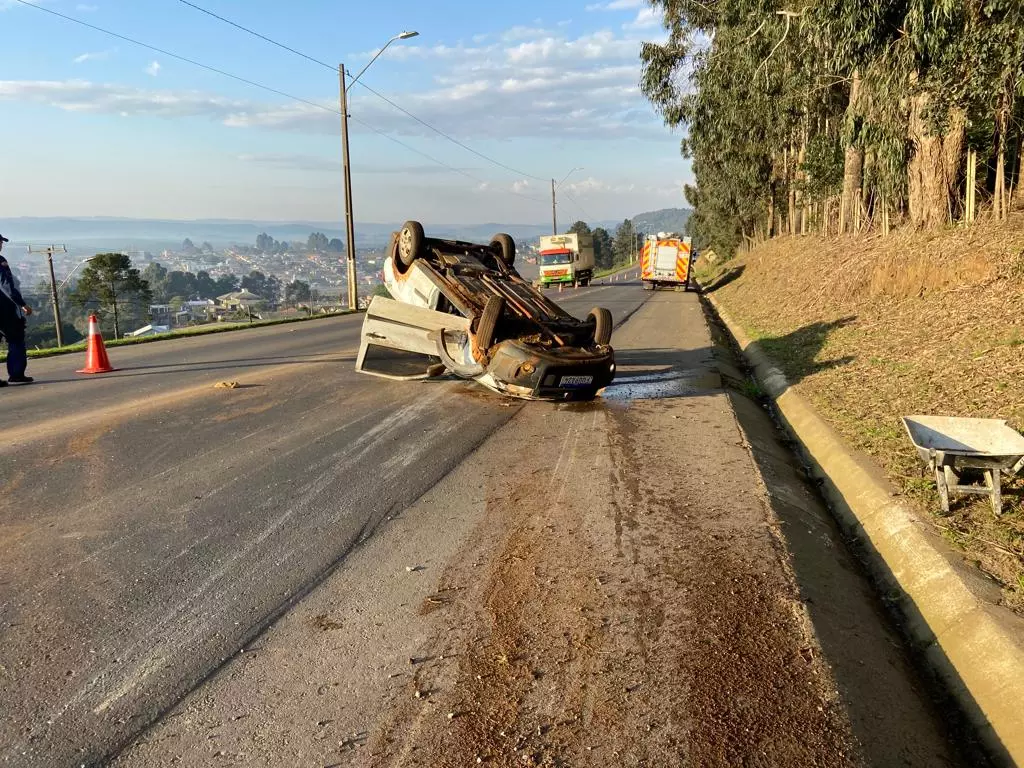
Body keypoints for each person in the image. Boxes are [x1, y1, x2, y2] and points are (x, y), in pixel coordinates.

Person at [0, 234, 34, 385]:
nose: (1, 244)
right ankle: (16, 373)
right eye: (0, 242)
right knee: (16, 341)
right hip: (4, 311)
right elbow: (7, 286)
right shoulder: (0, 261)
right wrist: (22, 304)